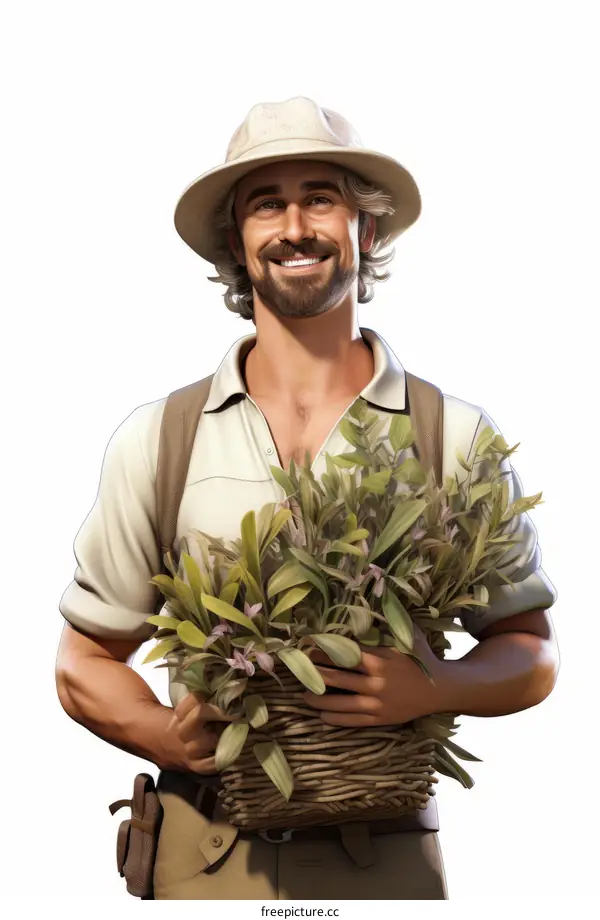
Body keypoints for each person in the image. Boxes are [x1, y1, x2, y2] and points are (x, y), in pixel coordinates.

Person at [55, 96, 559, 900]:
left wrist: (438, 685)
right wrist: (163, 735)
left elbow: (531, 651)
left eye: (320, 198)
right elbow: (83, 661)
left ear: (367, 229)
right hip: (203, 859)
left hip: (385, 863)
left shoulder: (452, 435)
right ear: (237, 241)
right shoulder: (160, 439)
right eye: (267, 205)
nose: (295, 227)